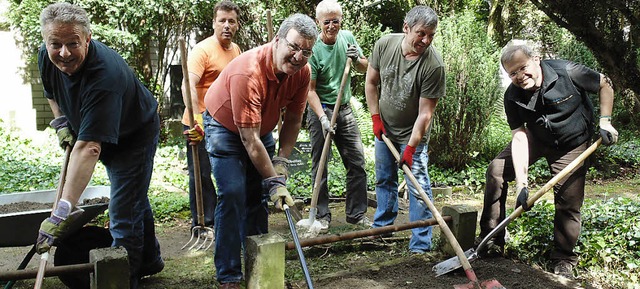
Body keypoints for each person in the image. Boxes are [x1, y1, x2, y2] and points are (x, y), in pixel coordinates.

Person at [35, 3, 163, 288]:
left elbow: (89, 148)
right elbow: (50, 92)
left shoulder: (104, 75)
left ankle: (121, 280)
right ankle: (150, 259)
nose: (64, 53)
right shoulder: (47, 55)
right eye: (56, 44)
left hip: (133, 135)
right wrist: (61, 123)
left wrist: (62, 211)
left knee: (122, 212)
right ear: (46, 41)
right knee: (133, 196)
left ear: (88, 38)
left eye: (73, 44)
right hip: (94, 131)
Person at [478, 42, 618, 279]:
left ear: (536, 58)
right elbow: (519, 137)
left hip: (572, 143)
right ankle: (491, 240)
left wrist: (605, 121)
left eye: (523, 68)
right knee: (497, 169)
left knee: (568, 201)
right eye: (513, 73)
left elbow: (605, 83)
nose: (520, 76)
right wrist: (523, 184)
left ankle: (563, 259)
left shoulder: (567, 72)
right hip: (537, 137)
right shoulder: (512, 96)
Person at [202, 13, 317, 289]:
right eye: (294, 47)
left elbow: (293, 119)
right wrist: (276, 182)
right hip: (225, 128)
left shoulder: (302, 73)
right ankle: (229, 275)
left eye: (306, 51)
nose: (299, 56)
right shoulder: (248, 71)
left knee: (257, 196)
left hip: (260, 129)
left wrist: (281, 162)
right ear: (277, 40)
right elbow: (248, 139)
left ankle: (261, 267)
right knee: (232, 193)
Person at [364, 5, 445, 253]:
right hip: (385, 131)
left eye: (431, 35)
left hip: (413, 136)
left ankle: (420, 243)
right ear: (406, 27)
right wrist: (376, 118)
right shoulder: (385, 45)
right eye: (421, 33)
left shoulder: (433, 66)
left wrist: (410, 147)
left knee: (417, 186)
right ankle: (383, 230)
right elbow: (370, 82)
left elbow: (425, 114)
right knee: (384, 179)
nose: (426, 40)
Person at [306, 0, 371, 231]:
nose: (332, 26)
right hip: (320, 109)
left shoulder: (348, 38)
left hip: (344, 109)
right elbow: (309, 90)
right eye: (327, 22)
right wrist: (323, 118)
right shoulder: (313, 49)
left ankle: (356, 214)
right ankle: (322, 215)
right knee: (320, 164)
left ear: (341, 20)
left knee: (357, 162)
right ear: (318, 23)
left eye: (336, 21)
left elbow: (364, 67)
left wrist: (358, 59)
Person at [181, 0, 241, 237]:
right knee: (201, 173)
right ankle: (201, 223)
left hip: (223, 123)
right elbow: (189, 85)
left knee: (225, 171)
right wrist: (197, 119)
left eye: (231, 21)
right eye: (222, 20)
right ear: (214, 23)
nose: (226, 25)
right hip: (199, 121)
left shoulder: (235, 50)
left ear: (237, 25)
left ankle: (220, 218)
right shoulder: (203, 50)